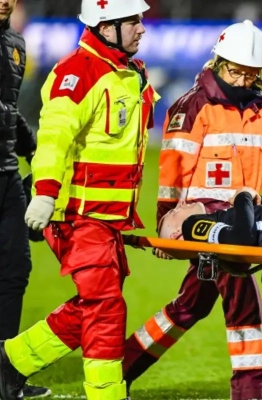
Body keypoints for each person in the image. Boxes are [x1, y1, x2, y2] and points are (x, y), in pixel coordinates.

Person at [122, 19, 262, 400]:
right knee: (244, 310)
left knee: (188, 308)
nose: (243, 80)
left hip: (239, 224)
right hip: (209, 229)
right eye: (235, 71)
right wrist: (167, 224)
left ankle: (122, 368)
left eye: (250, 73)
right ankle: (248, 392)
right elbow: (172, 172)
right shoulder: (193, 107)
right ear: (218, 63)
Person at [0, 0, 159, 399]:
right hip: (77, 214)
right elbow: (54, 139)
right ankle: (106, 393)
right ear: (106, 27)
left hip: (106, 216)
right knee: (105, 305)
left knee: (95, 301)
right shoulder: (78, 73)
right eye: (133, 21)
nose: (142, 28)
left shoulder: (130, 73)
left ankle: (11, 361)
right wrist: (45, 194)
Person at [0, 0, 49, 396]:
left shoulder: (15, 44)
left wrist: (35, 152)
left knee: (15, 270)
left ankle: (4, 371)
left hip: (7, 175)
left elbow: (8, 109)